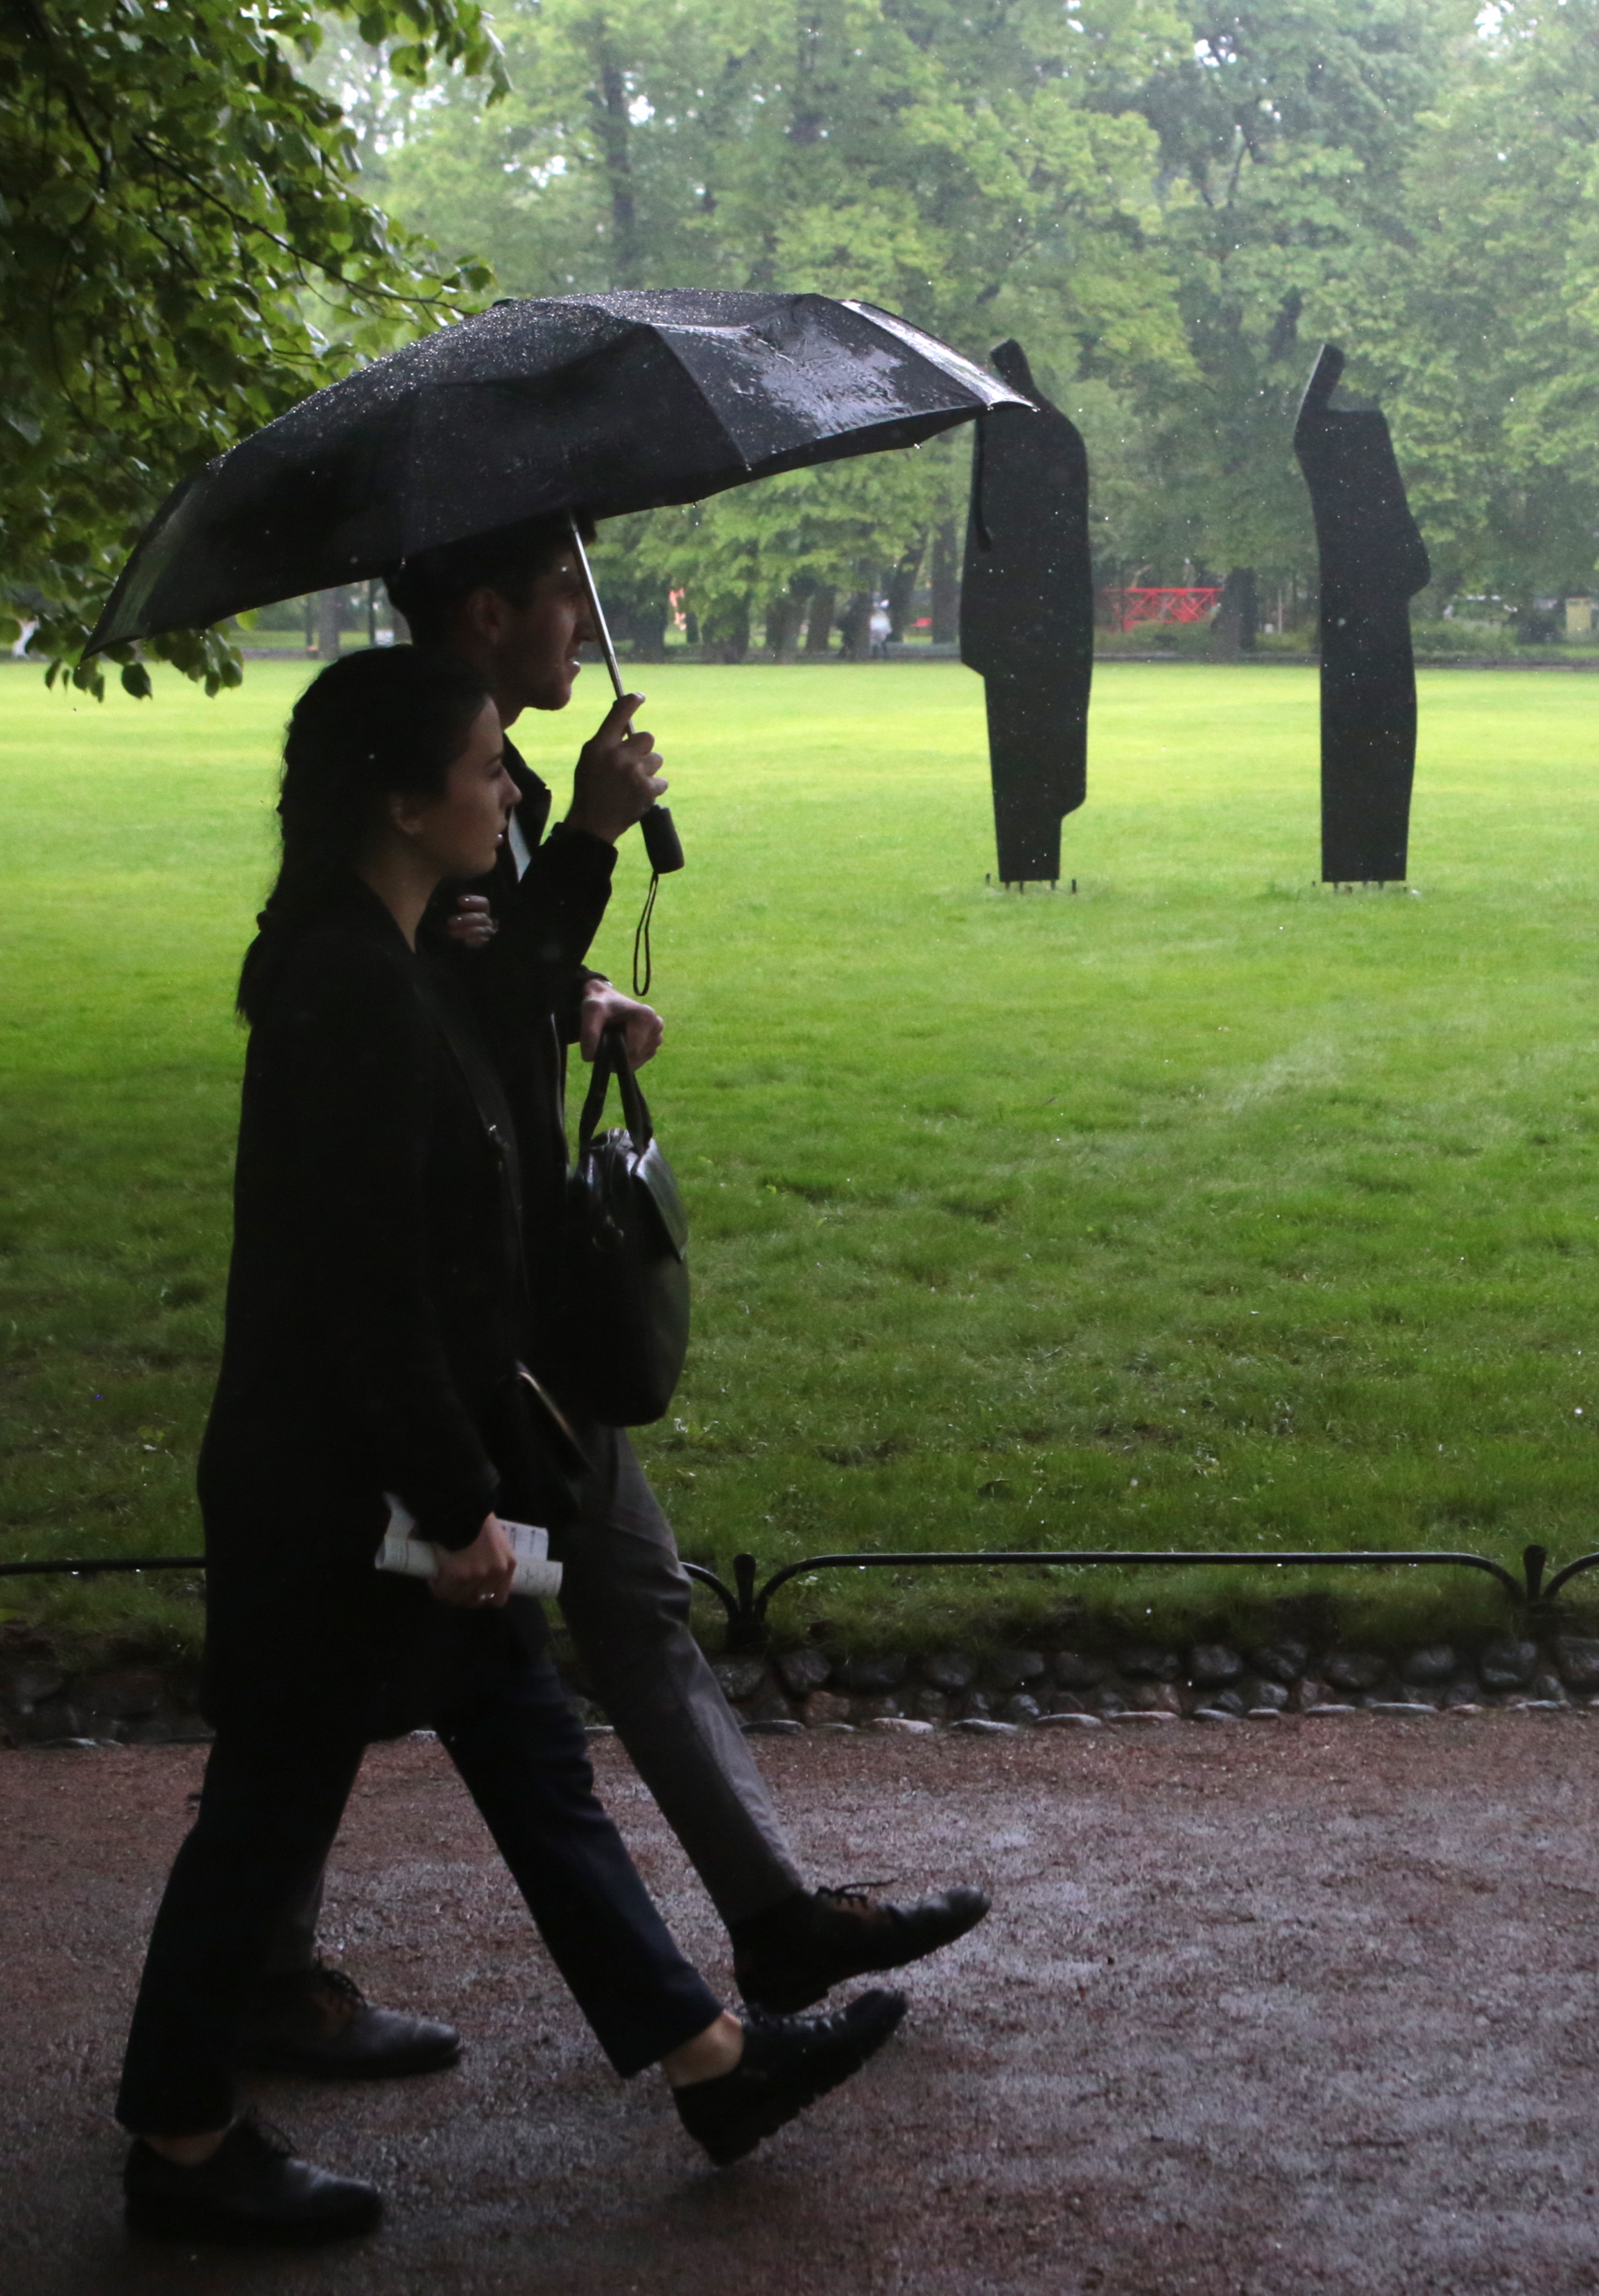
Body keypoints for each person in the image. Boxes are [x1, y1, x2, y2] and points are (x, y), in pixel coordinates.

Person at [119, 648, 903, 2246]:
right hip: (339, 1499)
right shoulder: (348, 987)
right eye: (485, 772)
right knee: (270, 1807)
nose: (507, 794)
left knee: (528, 1757)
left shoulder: (392, 954)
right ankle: (184, 2146)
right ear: (403, 804)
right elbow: (364, 1288)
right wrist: (457, 1500)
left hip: (375, 1479)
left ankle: (711, 2057)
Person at [231, 520, 985, 2085]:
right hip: (458, 1323)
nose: (590, 623)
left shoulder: (459, 777)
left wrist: (574, 989)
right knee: (359, 1692)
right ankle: (242, 2013)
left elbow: (489, 992)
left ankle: (746, 1947)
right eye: (570, 595)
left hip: (488, 1306)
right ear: (490, 610)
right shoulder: (440, 782)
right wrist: (585, 839)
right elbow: (437, 1010)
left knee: (586, 1614)